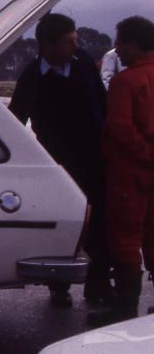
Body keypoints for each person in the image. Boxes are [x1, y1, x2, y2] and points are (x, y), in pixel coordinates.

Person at [9, 13, 111, 307]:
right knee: (61, 225)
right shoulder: (31, 77)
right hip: (57, 166)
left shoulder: (84, 67)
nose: (76, 45)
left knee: (98, 225)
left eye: (76, 39)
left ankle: (99, 286)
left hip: (92, 161)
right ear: (48, 45)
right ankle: (58, 285)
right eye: (70, 41)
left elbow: (102, 108)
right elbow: (17, 120)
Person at [88, 16, 154, 326]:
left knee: (126, 238)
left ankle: (126, 310)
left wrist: (144, 155)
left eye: (120, 43)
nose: (117, 49)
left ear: (132, 44)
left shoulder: (125, 82)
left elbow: (121, 128)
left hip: (130, 171)